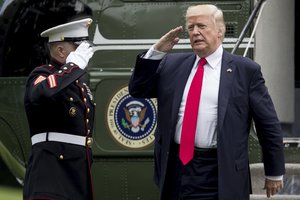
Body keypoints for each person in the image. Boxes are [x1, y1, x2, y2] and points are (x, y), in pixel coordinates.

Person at [129, 4, 285, 200]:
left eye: (202, 26)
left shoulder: (245, 71)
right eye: (191, 28)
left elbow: (267, 125)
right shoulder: (172, 64)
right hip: (176, 170)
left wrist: (274, 172)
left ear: (220, 31)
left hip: (218, 170)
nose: (195, 32)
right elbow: (138, 89)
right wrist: (156, 52)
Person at [23, 18, 95, 200]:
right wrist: (72, 67)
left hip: (77, 173)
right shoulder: (42, 74)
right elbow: (41, 93)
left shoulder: (79, 84)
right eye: (78, 47)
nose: (84, 52)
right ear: (61, 50)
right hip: (51, 174)